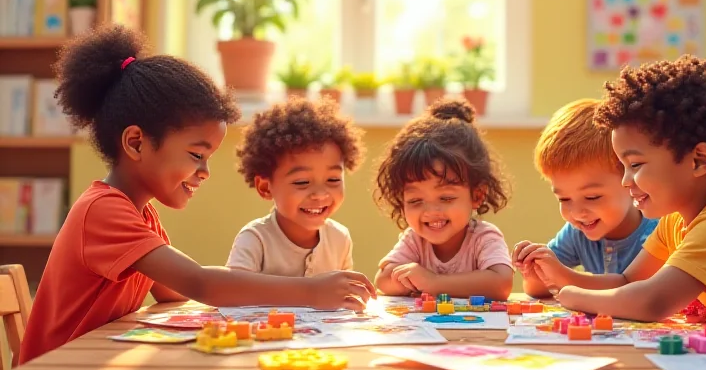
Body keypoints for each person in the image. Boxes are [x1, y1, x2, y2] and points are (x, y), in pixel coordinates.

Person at [20, 26, 375, 363]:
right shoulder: (103, 211)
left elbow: (175, 292)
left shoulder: (140, 214)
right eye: (196, 155)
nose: (204, 172)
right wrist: (310, 291)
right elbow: (199, 283)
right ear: (136, 142)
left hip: (90, 367)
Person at [533, 56, 706, 358]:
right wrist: (562, 276)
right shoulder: (676, 219)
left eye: (635, 164)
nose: (625, 180)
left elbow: (652, 302)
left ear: (699, 160)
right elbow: (628, 281)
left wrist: (573, 296)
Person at [512, 99, 658, 297]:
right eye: (564, 199)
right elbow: (539, 291)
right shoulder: (576, 233)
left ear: (629, 179)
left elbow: (635, 290)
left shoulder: (658, 232)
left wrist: (562, 275)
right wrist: (534, 273)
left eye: (592, 197)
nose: (577, 212)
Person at [374, 99, 513, 299]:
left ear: (477, 195)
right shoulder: (415, 239)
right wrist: (408, 277)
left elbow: (501, 284)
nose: (430, 211)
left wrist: (433, 283)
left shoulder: (483, 238)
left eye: (446, 198)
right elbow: (383, 280)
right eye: (415, 201)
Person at [227, 97, 364, 276]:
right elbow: (235, 289)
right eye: (302, 182)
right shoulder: (256, 239)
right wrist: (309, 292)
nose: (320, 195)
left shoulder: (340, 238)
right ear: (265, 187)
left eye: (333, 180)